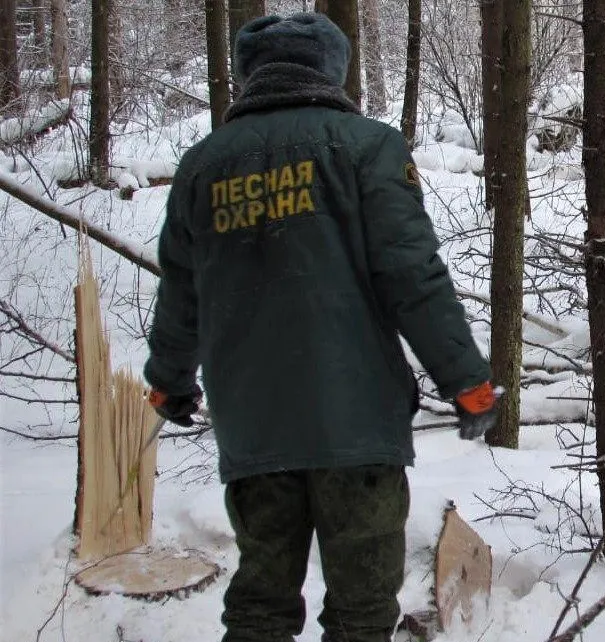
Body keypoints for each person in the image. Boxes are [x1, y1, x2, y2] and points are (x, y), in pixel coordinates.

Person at [143, 13, 497, 642]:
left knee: (260, 606)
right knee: (361, 609)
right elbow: (412, 276)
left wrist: (169, 380)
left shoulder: (202, 167)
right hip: (354, 425)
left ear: (253, 75)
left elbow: (181, 290)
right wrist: (465, 379)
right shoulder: (367, 147)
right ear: (332, 70)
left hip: (252, 430)